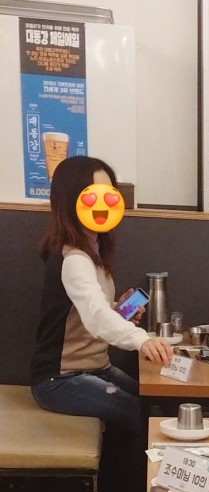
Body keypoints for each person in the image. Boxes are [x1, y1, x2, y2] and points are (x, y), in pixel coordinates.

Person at [31, 155, 172, 434]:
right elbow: (95, 317)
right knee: (137, 413)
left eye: (110, 195)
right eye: (93, 196)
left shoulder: (92, 251)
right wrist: (141, 340)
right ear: (71, 201)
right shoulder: (75, 259)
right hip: (60, 380)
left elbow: (89, 313)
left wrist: (118, 311)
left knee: (151, 402)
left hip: (96, 368)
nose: (103, 204)